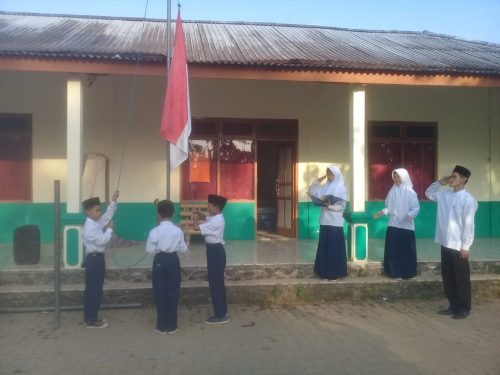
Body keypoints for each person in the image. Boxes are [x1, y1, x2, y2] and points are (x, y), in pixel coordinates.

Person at [425, 165, 478, 319]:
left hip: (458, 246)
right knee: (448, 277)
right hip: (445, 242)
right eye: (451, 176)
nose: (451, 179)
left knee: (461, 278)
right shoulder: (445, 195)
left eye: (454, 177)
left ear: (463, 180)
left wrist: (465, 246)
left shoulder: (468, 200)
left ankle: (464, 308)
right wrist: (440, 182)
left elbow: (469, 225)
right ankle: (453, 305)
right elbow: (428, 193)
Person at [146, 200, 187, 335]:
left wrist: (159, 248)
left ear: (158, 214)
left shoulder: (154, 231)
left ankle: (162, 325)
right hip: (173, 260)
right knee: (173, 291)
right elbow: (183, 249)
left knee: (160, 291)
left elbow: (149, 250)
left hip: (159, 260)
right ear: (173, 213)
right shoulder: (178, 231)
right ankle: (172, 325)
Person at [373, 168, 420, 280]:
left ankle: (408, 272)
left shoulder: (411, 192)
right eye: (394, 176)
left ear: (404, 177)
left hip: (406, 225)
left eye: (398, 176)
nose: (396, 179)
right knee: (394, 249)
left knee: (406, 250)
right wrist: (383, 212)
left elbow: (416, 208)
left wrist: (410, 214)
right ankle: (395, 272)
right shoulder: (392, 191)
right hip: (393, 224)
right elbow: (389, 207)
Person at [82, 190, 119, 328]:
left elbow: (107, 216)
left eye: (99, 210)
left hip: (97, 259)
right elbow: (101, 241)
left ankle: (92, 316)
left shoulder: (95, 222)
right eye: (97, 210)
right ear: (89, 212)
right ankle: (91, 320)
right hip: (93, 260)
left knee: (96, 289)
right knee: (94, 290)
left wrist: (114, 200)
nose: (99, 213)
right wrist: (109, 229)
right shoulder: (89, 227)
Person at [193, 194, 230, 324]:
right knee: (216, 283)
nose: (207, 209)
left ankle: (221, 315)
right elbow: (206, 217)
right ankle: (222, 312)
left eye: (209, 206)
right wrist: (200, 214)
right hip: (214, 251)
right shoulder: (216, 217)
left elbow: (196, 228)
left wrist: (195, 218)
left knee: (216, 284)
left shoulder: (216, 221)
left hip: (216, 252)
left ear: (216, 207)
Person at [308, 166, 348, 281]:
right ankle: (324, 273)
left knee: (334, 248)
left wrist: (329, 205)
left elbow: (342, 206)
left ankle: (335, 274)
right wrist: (318, 181)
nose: (329, 176)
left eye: (331, 174)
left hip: (335, 222)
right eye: (328, 174)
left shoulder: (341, 188)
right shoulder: (324, 187)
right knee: (324, 247)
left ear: (336, 175)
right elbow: (312, 191)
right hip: (325, 221)